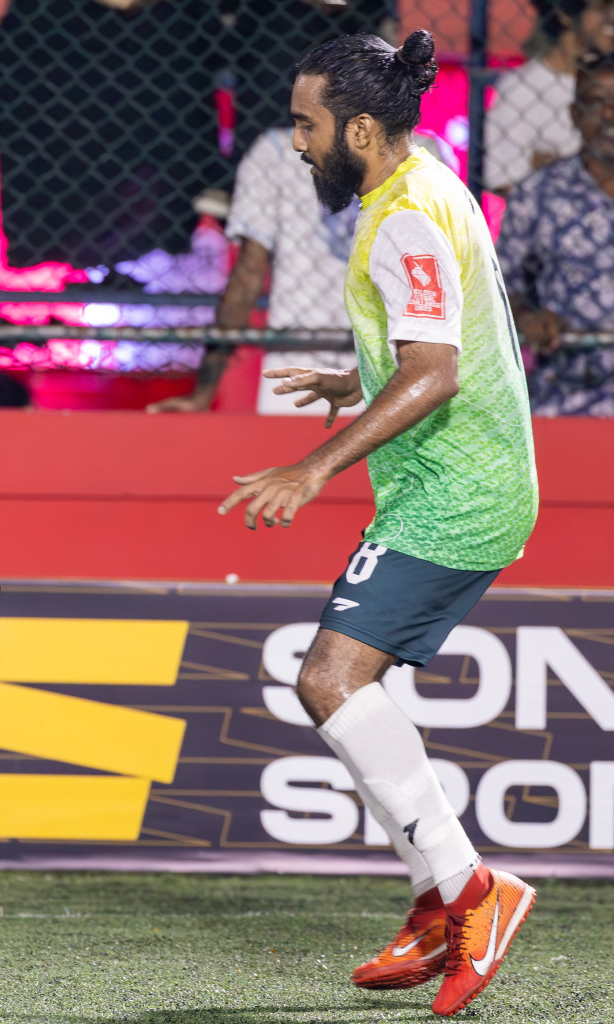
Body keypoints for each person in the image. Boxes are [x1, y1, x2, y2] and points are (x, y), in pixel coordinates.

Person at [218, 31, 538, 1017]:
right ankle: (440, 899)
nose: (299, 142)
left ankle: (474, 891)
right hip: (455, 481)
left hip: (457, 490)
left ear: (361, 127)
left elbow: (437, 372)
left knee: (328, 678)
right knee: (344, 687)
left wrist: (312, 465)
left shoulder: (399, 218)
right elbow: (444, 341)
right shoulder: (431, 182)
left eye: (309, 126)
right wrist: (356, 379)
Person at [147, 126, 360, 414]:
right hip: (388, 365)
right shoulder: (418, 153)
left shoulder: (277, 150)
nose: (300, 137)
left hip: (297, 367)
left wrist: (203, 393)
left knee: (291, 457)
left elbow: (248, 271)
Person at [496, 50, 614, 416]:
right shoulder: (538, 193)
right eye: (596, 103)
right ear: (575, 116)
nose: (609, 115)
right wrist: (530, 316)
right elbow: (498, 289)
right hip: (564, 396)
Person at [485, 0, 614, 193]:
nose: (612, 16)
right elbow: (503, 180)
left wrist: (549, 168)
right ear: (565, 14)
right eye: (601, 7)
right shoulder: (522, 89)